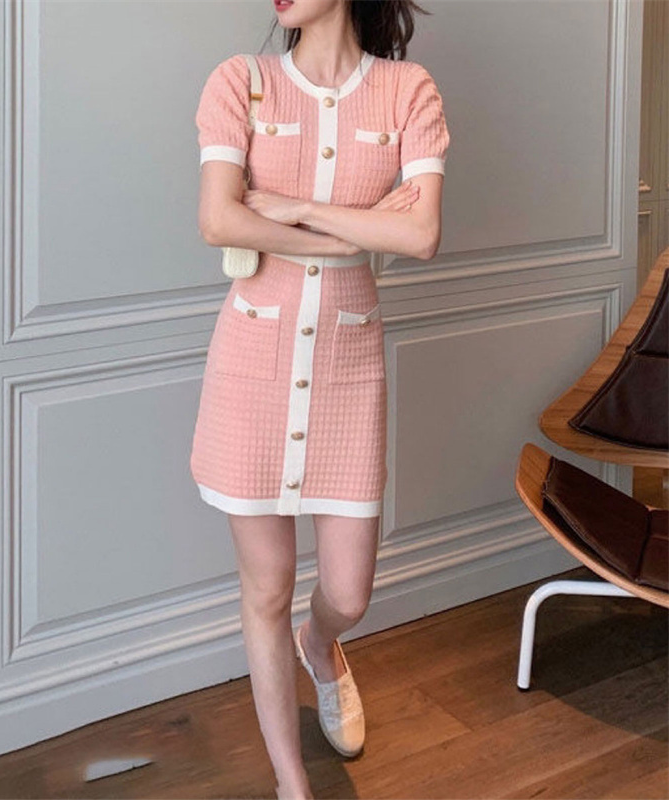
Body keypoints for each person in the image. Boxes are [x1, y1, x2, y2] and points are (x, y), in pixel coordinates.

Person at [189, 1, 449, 796]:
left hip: (347, 371)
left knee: (348, 593)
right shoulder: (242, 82)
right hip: (250, 368)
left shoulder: (408, 91)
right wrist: (357, 232)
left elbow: (422, 235)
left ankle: (322, 645)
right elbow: (218, 219)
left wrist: (294, 210)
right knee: (265, 588)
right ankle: (291, 782)